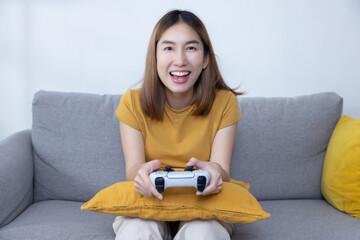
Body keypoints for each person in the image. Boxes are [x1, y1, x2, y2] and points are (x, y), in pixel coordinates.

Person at [113, 9, 243, 240]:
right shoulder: (132, 102)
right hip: (150, 200)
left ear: (205, 59)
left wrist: (215, 171)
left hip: (203, 201)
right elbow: (132, 169)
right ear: (154, 57)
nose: (180, 60)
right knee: (137, 231)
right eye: (168, 48)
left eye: (191, 48)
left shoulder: (225, 102)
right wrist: (141, 174)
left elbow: (222, 169)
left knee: (204, 232)